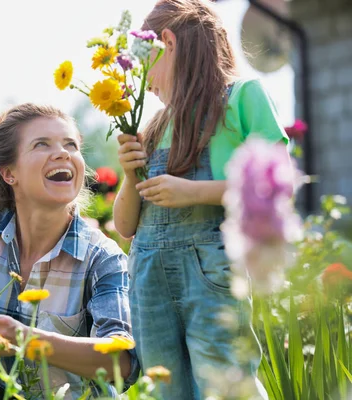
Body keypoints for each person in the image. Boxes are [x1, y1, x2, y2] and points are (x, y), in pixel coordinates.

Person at [113, 0, 291, 398]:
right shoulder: (155, 124)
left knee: (224, 383)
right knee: (160, 388)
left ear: (167, 42)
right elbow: (125, 227)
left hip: (209, 273)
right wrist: (129, 174)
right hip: (147, 278)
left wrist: (194, 192)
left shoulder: (242, 97)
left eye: (144, 63)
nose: (143, 82)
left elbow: (274, 185)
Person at [0, 103, 139, 399]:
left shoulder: (102, 256)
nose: (63, 153)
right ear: (9, 173)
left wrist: (23, 339)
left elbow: (122, 361)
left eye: (71, 144)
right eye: (41, 144)